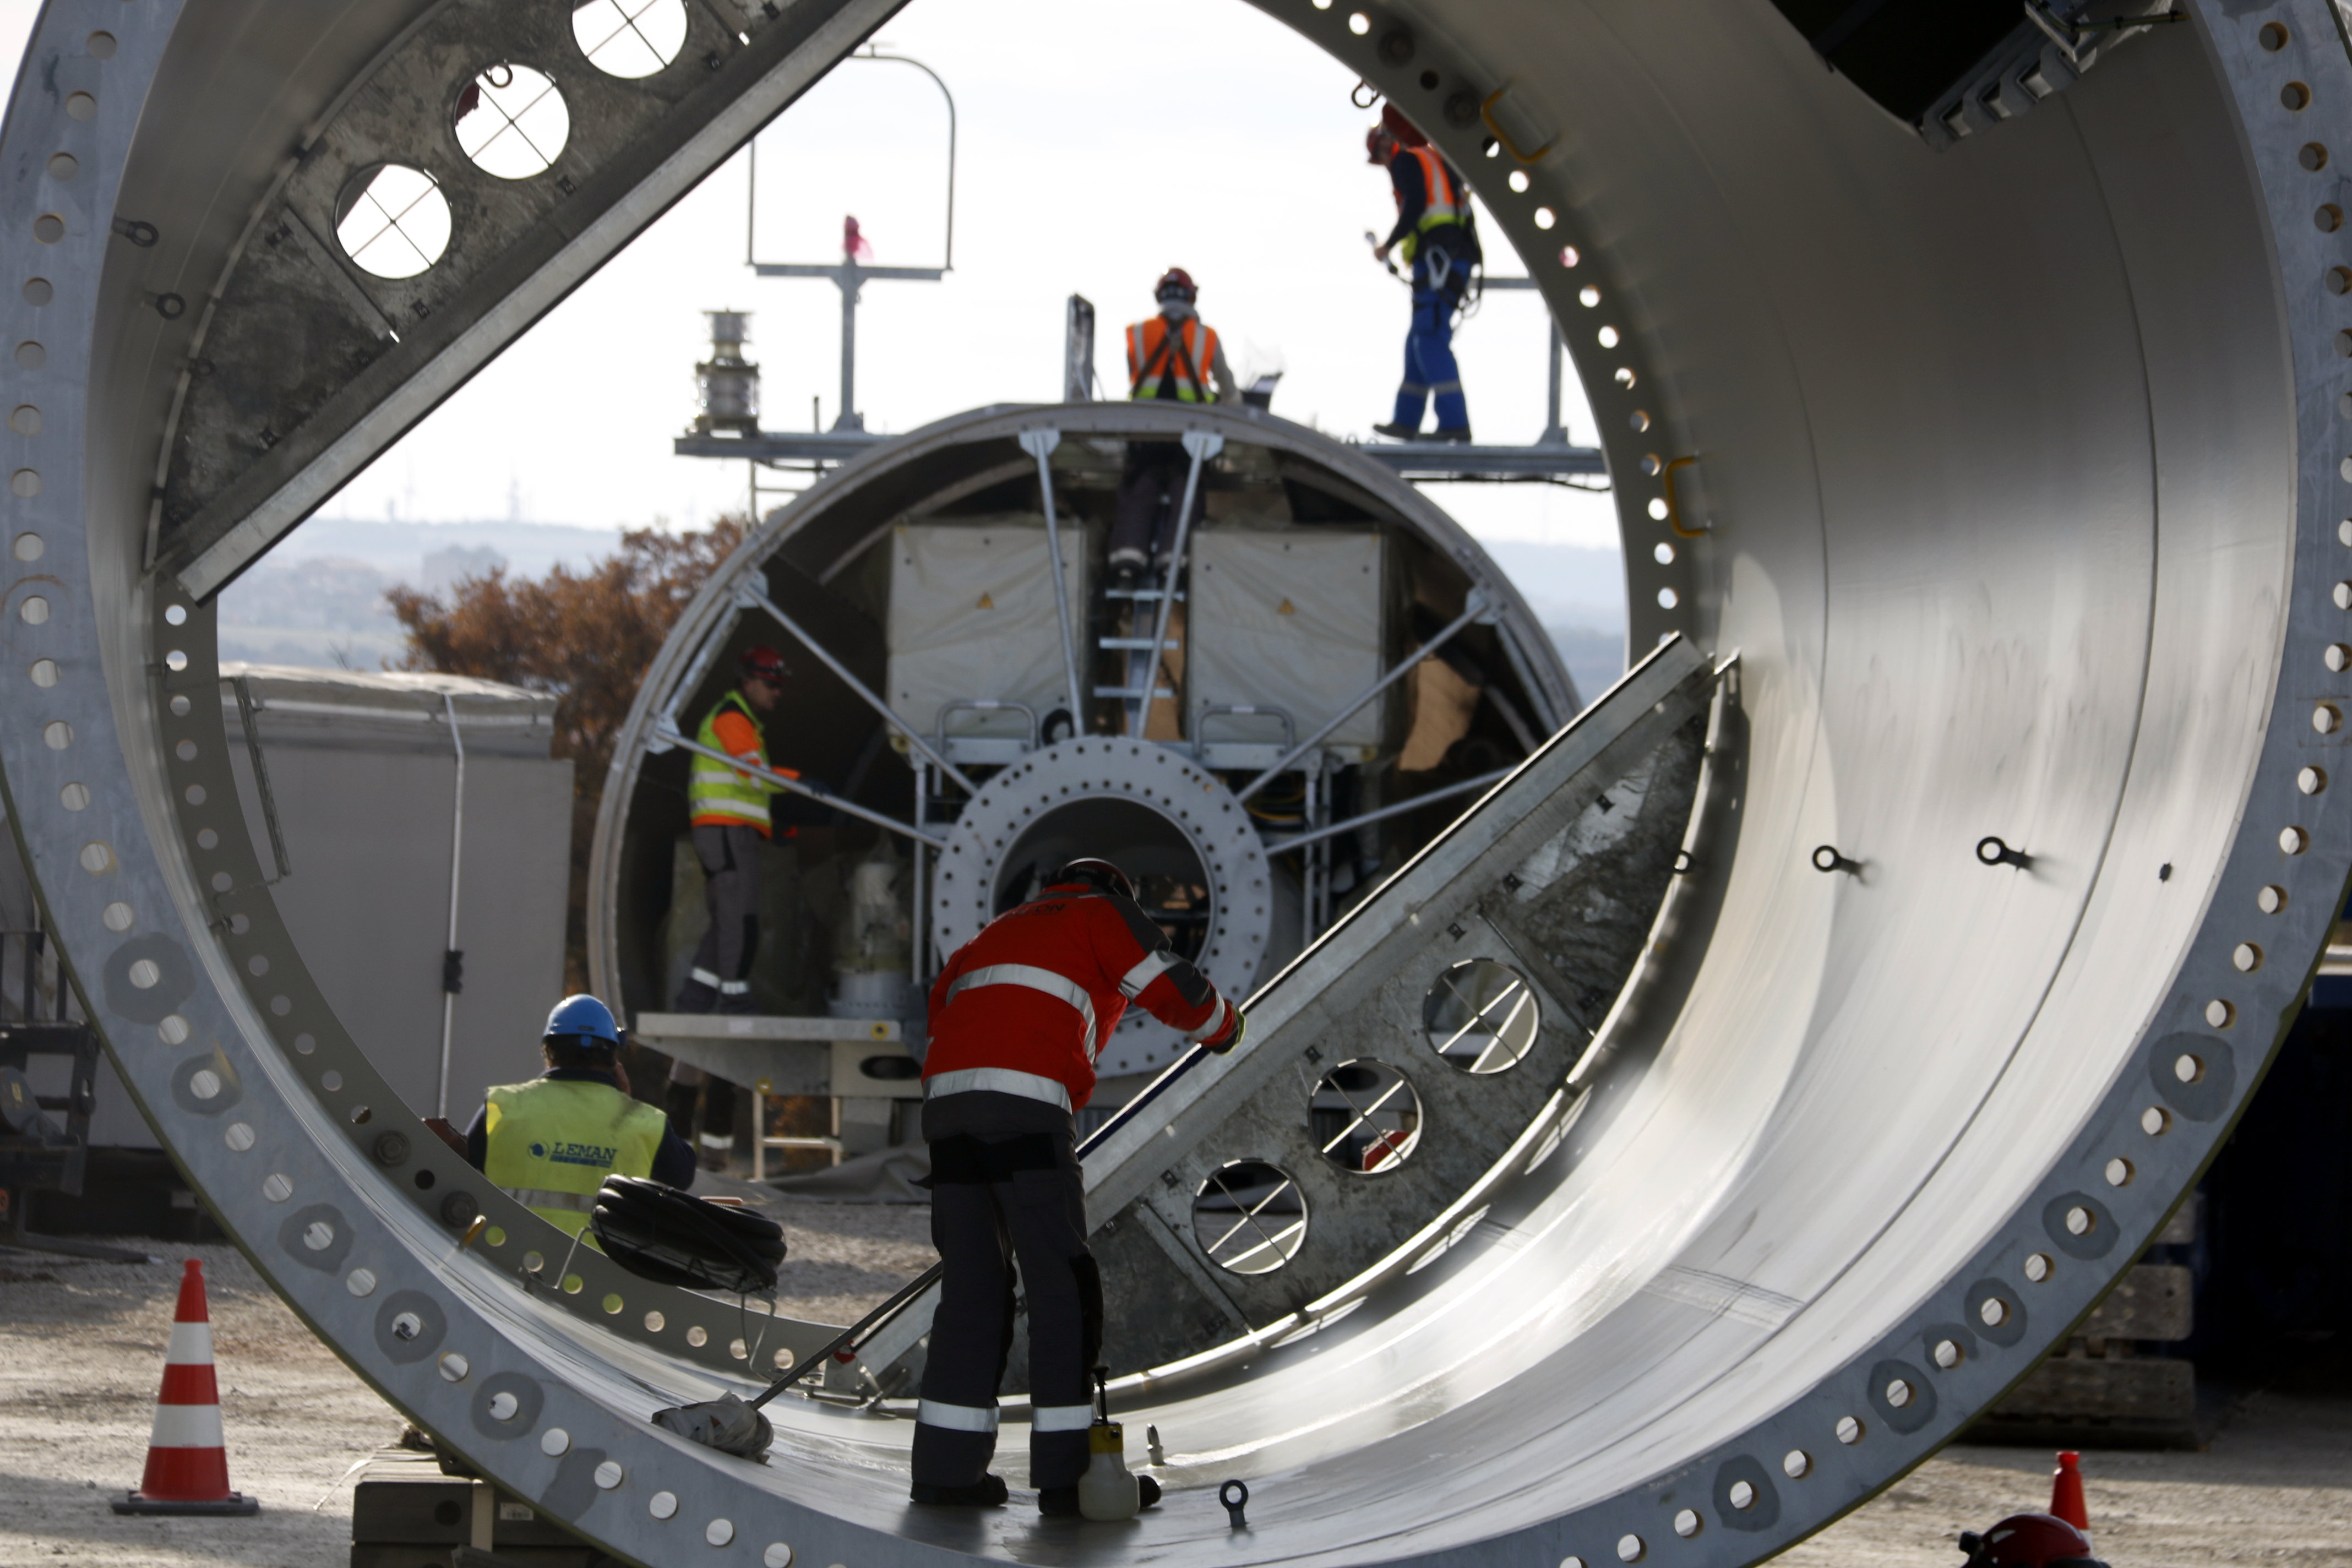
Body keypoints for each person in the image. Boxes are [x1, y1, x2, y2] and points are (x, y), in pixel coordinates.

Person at [908, 857, 1245, 1515]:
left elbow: (943, 1011)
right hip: (1026, 1107)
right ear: (1115, 889)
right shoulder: (1101, 913)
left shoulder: (993, 932)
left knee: (974, 1286)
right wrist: (1226, 1027)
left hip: (947, 1113)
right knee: (1062, 1285)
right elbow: (1171, 986)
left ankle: (946, 1475)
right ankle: (1070, 1481)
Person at [665, 644, 797, 1171]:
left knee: (727, 921)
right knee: (738, 916)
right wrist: (797, 784)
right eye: (772, 684)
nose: (777, 693)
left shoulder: (741, 720)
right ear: (749, 680)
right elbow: (752, 775)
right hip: (723, 831)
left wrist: (773, 821)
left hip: (732, 828)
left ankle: (699, 992)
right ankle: (735, 1000)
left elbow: (751, 784)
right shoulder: (732, 719)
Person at [469, 995, 695, 1237]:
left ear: (548, 1050)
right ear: (613, 1057)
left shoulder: (502, 1108)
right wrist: (627, 1103)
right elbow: (682, 1177)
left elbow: (458, 1172)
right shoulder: (646, 1123)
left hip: (500, 1267)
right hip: (602, 1272)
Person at [1108, 268, 1240, 589]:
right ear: (1192, 297)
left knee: (1140, 490)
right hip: (1190, 438)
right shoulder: (1206, 337)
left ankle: (1127, 565)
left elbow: (1135, 378)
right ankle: (1174, 565)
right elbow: (1230, 394)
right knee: (1187, 493)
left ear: (1159, 297)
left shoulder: (1138, 333)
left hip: (1144, 436)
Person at [1368, 105, 1481, 444]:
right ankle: (1407, 421)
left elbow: (1416, 206)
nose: (1385, 165)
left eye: (1380, 156)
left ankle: (1455, 425)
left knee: (1429, 338)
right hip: (1450, 258)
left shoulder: (1407, 161)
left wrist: (1388, 246)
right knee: (1417, 337)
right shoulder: (1434, 160)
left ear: (1387, 145)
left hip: (1440, 260)